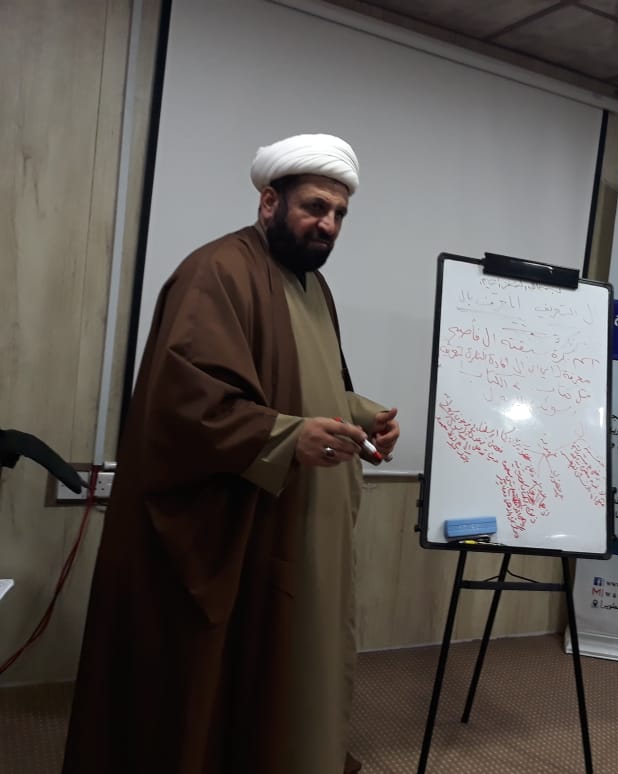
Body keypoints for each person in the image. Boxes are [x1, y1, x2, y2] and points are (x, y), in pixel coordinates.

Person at [62, 133, 399, 774]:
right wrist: (283, 437)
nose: (328, 225)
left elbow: (307, 383)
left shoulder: (312, 288)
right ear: (271, 202)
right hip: (247, 524)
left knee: (301, 664)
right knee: (232, 685)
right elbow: (185, 404)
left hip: (305, 515)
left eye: (339, 214)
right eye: (315, 207)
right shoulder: (216, 272)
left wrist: (363, 415)